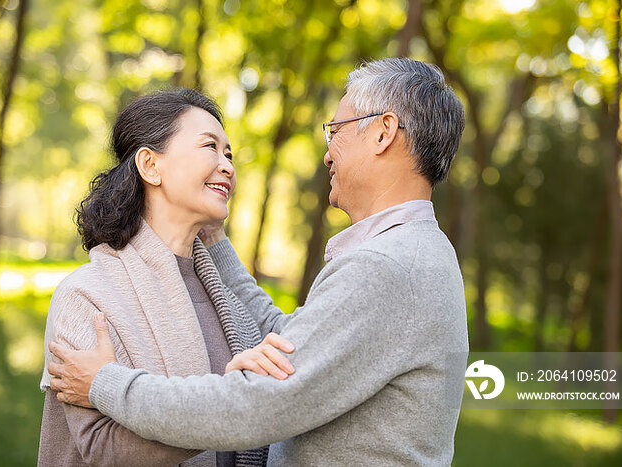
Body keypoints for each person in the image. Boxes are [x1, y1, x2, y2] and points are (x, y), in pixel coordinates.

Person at [49, 58, 470, 466]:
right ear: (149, 164)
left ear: (383, 133)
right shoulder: (420, 254)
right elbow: (301, 343)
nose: (327, 154)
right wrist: (219, 249)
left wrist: (106, 384)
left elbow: (256, 406)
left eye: (336, 131)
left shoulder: (385, 267)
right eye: (210, 147)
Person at [38, 88, 296, 467]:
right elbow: (102, 447)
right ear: (150, 165)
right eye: (210, 146)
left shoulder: (230, 303)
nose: (227, 165)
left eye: (229, 154)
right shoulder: (87, 296)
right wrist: (232, 407)